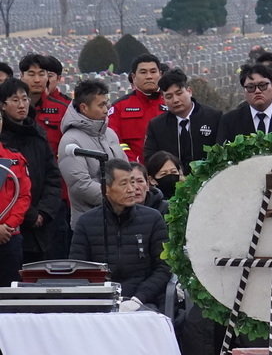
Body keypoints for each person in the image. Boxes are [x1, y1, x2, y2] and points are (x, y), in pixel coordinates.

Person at [70, 159, 169, 310]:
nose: (132, 189)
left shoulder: (153, 218)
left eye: (133, 182)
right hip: (99, 301)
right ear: (106, 189)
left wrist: (139, 298)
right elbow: (78, 270)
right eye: (124, 184)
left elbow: (164, 267)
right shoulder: (86, 222)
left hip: (142, 300)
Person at [0, 78, 60, 262]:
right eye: (15, 100)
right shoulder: (4, 140)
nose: (22, 105)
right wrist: (29, 215)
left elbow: (53, 177)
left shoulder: (37, 134)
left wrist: (44, 212)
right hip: (10, 226)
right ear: (3, 105)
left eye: (25, 99)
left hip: (41, 226)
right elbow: (11, 191)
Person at [59, 79, 125, 227]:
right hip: (91, 222)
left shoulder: (110, 134)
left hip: (121, 217)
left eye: (106, 103)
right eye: (101, 105)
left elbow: (125, 167)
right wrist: (117, 197)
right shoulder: (70, 141)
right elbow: (80, 185)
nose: (106, 109)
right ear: (84, 108)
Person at [146, 69, 221, 167]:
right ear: (163, 99)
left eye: (179, 93)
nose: (175, 100)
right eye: (169, 97)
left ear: (189, 91)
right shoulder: (156, 126)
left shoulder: (214, 118)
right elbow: (150, 159)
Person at [216, 62, 272, 143]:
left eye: (262, 85)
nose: (257, 91)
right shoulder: (230, 121)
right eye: (251, 87)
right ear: (244, 91)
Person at [108, 53, 166, 163]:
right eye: (143, 72)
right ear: (134, 77)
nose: (149, 76)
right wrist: (134, 163)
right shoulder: (119, 107)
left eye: (153, 72)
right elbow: (114, 141)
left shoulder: (171, 103)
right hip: (133, 172)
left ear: (161, 74)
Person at [0, 117, 32, 284]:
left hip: (9, 237)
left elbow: (24, 196)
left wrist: (8, 226)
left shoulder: (15, 158)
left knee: (8, 295)